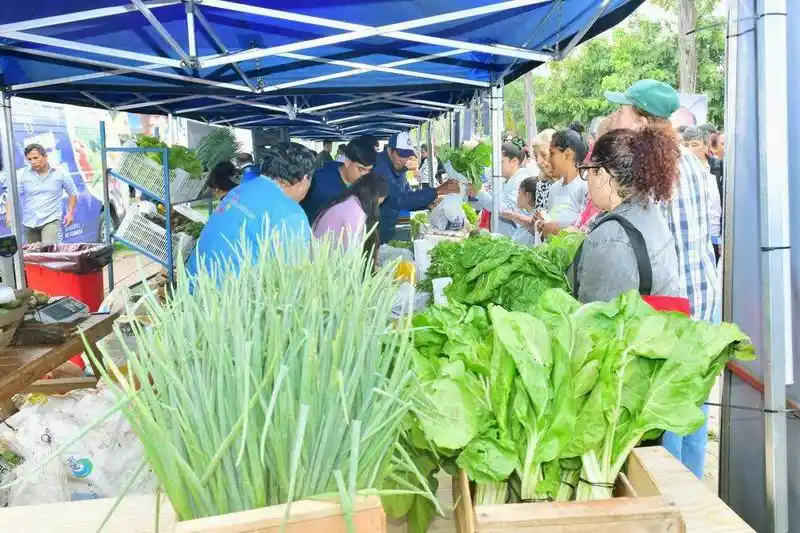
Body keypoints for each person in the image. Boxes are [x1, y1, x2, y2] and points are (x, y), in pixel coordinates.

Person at [606, 79, 719, 480]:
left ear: (642, 120)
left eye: (622, 110)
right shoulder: (692, 162)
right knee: (692, 406)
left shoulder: (653, 167)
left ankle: (669, 495)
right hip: (703, 300)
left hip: (672, 310)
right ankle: (692, 492)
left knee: (662, 411)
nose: (616, 116)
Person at [572, 126, 681, 304]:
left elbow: (595, 317)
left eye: (588, 170)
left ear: (602, 174)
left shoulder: (611, 239)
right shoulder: (648, 209)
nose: (587, 180)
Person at [185, 142, 315, 280]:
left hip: (191, 283)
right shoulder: (291, 213)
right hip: (228, 291)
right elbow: (294, 278)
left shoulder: (238, 190)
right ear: (304, 178)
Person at [374, 132, 459, 243]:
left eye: (407, 156)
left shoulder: (397, 167)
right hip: (375, 230)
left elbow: (408, 194)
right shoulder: (380, 167)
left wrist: (428, 203)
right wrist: (437, 191)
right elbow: (400, 199)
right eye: (401, 155)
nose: (404, 160)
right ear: (390, 150)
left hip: (387, 226)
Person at [6, 144, 78, 243]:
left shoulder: (60, 172)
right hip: (29, 221)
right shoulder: (21, 174)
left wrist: (70, 213)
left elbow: (72, 193)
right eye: (29, 159)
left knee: (48, 249)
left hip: (51, 219)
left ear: (45, 157)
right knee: (33, 251)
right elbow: (11, 196)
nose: (33, 162)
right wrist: (9, 216)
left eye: (36, 158)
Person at [313, 171, 388, 259]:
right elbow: (351, 256)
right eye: (378, 204)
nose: (377, 208)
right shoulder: (355, 213)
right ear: (373, 198)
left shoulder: (349, 200)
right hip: (323, 261)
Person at [301, 138, 376, 224]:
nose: (365, 174)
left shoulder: (366, 183)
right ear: (347, 163)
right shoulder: (318, 178)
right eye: (361, 169)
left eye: (369, 170)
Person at [469, 142, 530, 238]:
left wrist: (478, 193)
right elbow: (490, 204)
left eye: (501, 162)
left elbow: (506, 209)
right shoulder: (506, 181)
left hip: (513, 238)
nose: (497, 166)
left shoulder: (521, 180)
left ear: (514, 161)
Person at [537, 125, 589, 237]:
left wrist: (557, 231)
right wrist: (543, 224)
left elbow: (587, 232)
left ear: (567, 154)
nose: (549, 159)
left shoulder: (585, 187)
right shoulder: (554, 188)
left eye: (552, 153)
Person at [681, 126, 723, 260]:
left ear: (706, 146)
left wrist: (722, 237)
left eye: (694, 145)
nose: (689, 149)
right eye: (685, 145)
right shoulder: (679, 172)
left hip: (716, 239)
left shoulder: (719, 168)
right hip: (693, 240)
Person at [500, 177, 541, 246]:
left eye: (519, 193)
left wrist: (512, 215)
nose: (517, 197)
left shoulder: (534, 220)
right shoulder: (529, 215)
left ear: (527, 196)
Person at [531, 129, 556, 211]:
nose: (539, 162)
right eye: (536, 156)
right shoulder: (542, 183)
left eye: (544, 155)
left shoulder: (576, 182)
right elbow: (539, 215)